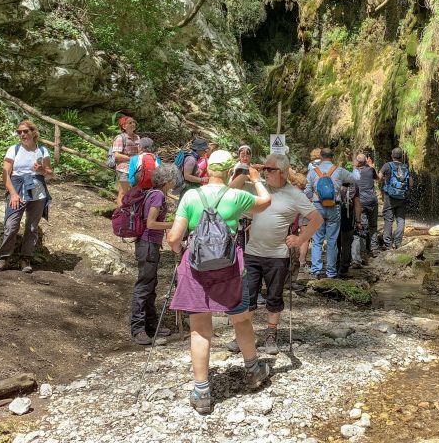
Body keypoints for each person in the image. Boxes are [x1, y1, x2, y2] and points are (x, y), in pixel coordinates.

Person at [166, 150, 272, 415]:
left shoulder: (190, 195)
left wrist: (180, 251)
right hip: (231, 268)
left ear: (206, 170)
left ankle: (202, 391)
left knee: (200, 329)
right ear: (229, 172)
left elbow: (173, 238)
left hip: (196, 267)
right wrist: (256, 179)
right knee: (241, 319)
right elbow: (266, 202)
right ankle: (254, 371)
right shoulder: (236, 196)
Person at [245, 153, 322, 353]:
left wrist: (300, 239)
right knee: (247, 297)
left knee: (274, 297)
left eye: (270, 169)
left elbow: (316, 219)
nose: (265, 172)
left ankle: (271, 336)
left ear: (283, 172)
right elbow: (232, 188)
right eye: (264, 169)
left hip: (277, 255)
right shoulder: (260, 187)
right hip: (252, 252)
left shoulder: (294, 194)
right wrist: (246, 171)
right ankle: (244, 336)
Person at [0, 120, 53, 273]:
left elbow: (51, 174)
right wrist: (13, 193)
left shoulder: (43, 150)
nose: (22, 134)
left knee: (32, 226)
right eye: (19, 132)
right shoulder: (14, 149)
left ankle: (26, 258)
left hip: (37, 186)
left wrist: (42, 170)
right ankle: (4, 258)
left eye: (25, 131)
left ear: (33, 132)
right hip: (17, 185)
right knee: (11, 224)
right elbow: (5, 173)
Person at [130, 164, 179, 346]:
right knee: (144, 285)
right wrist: (172, 225)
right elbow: (150, 223)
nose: (175, 181)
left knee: (151, 284)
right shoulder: (157, 195)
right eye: (173, 178)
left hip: (148, 244)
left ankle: (151, 324)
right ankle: (138, 328)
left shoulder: (153, 193)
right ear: (167, 181)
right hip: (148, 243)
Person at [303, 147, 356, 279]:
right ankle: (331, 272)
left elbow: (307, 192)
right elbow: (354, 179)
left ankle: (316, 271)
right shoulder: (339, 170)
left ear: (320, 157)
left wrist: (315, 197)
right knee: (332, 240)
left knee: (317, 240)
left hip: (317, 207)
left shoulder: (313, 172)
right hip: (334, 207)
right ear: (333, 157)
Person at [380, 147, 413, 249]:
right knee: (401, 220)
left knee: (389, 219)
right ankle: (398, 242)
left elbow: (379, 177)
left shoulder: (387, 165)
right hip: (402, 197)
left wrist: (384, 181)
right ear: (402, 157)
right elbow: (411, 183)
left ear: (392, 156)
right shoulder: (405, 167)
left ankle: (387, 243)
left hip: (389, 197)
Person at [353, 152, 380, 258]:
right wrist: (370, 165)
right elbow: (377, 178)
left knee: (362, 227)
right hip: (372, 201)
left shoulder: (354, 173)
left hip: (361, 203)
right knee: (373, 226)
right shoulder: (371, 170)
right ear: (365, 161)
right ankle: (374, 249)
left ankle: (363, 251)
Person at [112, 116, 143, 206]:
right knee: (123, 192)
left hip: (136, 168)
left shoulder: (137, 137)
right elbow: (116, 155)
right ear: (124, 126)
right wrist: (131, 158)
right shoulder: (120, 138)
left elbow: (139, 151)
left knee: (134, 192)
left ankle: (130, 214)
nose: (133, 124)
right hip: (124, 169)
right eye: (130, 123)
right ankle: (120, 215)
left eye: (133, 122)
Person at [228, 144, 254, 250]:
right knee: (241, 245)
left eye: (248, 154)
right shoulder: (237, 169)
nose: (245, 157)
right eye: (242, 154)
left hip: (250, 212)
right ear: (239, 156)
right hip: (241, 214)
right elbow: (232, 187)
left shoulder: (252, 169)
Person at [336, 176, 361, 276]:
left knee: (335, 242)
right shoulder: (354, 187)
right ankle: (344, 268)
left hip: (334, 217)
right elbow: (357, 204)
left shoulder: (334, 184)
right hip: (348, 218)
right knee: (346, 243)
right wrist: (358, 221)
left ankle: (334, 267)